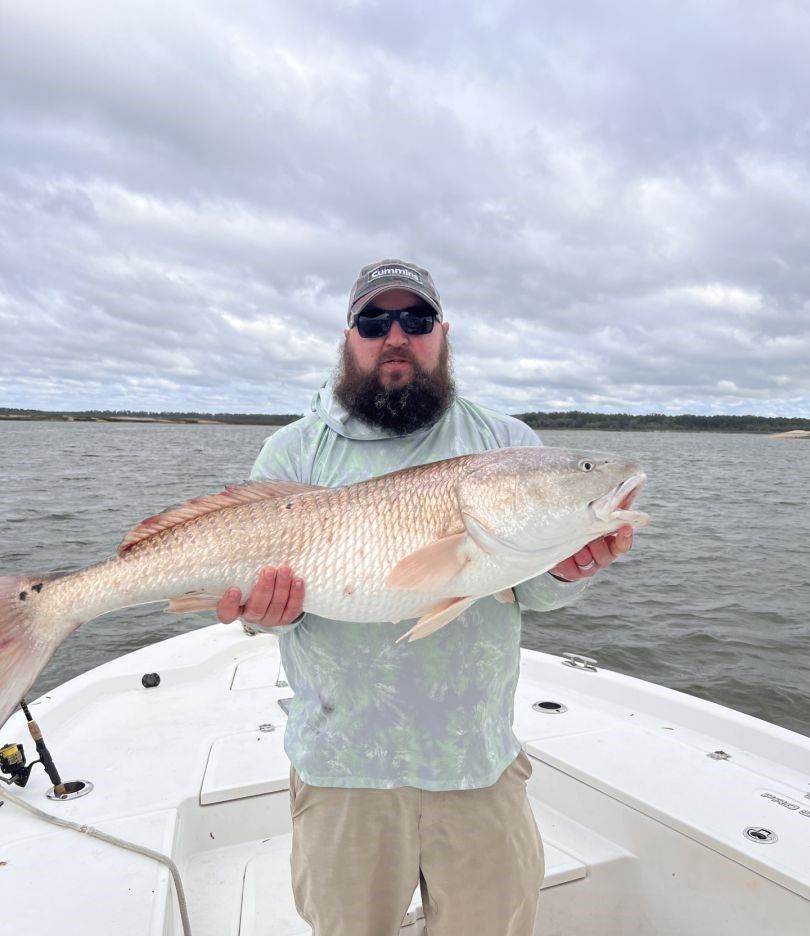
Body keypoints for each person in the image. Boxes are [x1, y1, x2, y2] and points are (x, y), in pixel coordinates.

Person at [216, 259, 634, 936]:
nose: (396, 335)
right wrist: (263, 616)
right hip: (341, 768)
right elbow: (257, 606)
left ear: (443, 333)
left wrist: (567, 569)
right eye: (374, 321)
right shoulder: (293, 453)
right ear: (348, 337)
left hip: (476, 762)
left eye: (415, 319)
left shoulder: (507, 445)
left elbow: (528, 593)